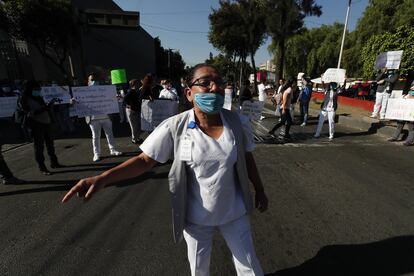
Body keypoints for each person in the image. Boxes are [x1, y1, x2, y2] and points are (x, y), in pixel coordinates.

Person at [62, 64, 268, 276]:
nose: (215, 88)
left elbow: (246, 156)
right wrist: (103, 178)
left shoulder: (237, 122)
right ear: (189, 93)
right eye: (205, 83)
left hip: (234, 213)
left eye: (219, 82)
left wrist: (259, 189)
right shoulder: (174, 126)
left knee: (250, 268)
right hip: (196, 219)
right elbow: (144, 161)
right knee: (199, 271)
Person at [20, 80, 63, 175]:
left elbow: (44, 108)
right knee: (39, 146)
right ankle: (42, 167)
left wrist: (50, 105)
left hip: (46, 122)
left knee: (50, 144)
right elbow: (29, 113)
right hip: (36, 125)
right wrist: (45, 108)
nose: (38, 90)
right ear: (30, 89)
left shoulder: (38, 97)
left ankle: (54, 162)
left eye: (39, 89)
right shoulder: (24, 99)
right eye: (36, 89)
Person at [85, 74, 122, 162]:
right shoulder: (84, 92)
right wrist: (73, 101)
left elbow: (114, 99)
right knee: (95, 137)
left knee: (110, 134)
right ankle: (96, 154)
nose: (94, 82)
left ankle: (113, 150)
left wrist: (116, 98)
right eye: (91, 80)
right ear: (88, 82)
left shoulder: (105, 90)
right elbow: (78, 103)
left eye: (95, 79)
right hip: (93, 119)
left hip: (106, 117)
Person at [387, 81, 414, 146]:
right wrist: (405, 96)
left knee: (411, 126)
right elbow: (407, 91)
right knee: (400, 124)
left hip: (412, 110)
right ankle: (395, 137)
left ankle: (409, 141)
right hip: (405, 109)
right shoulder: (411, 82)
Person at [124, 79, 143, 144]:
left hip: (136, 110)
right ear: (134, 84)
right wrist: (129, 106)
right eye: (138, 83)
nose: (139, 84)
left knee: (138, 125)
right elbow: (125, 99)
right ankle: (134, 139)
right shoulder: (131, 91)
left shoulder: (137, 91)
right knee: (134, 126)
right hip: (132, 111)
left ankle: (137, 137)